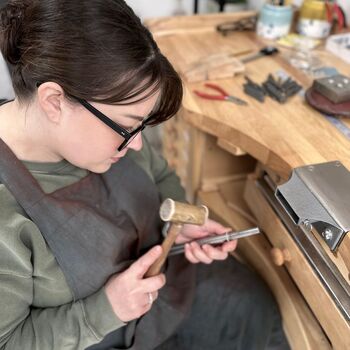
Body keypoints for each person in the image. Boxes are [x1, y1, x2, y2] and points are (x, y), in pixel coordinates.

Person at [0, 1, 290, 349]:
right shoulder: (7, 215)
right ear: (54, 102)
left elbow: (162, 176)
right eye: (126, 128)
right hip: (98, 336)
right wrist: (105, 310)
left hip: (169, 291)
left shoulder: (108, 127)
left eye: (142, 126)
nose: (137, 145)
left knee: (255, 310)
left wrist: (177, 225)